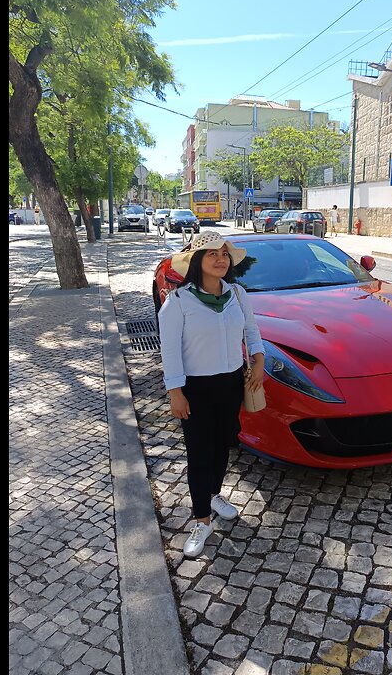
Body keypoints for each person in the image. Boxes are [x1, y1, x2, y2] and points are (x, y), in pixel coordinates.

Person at [158, 231, 265, 559]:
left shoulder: (237, 293)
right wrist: (176, 392)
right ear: (196, 262)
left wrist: (258, 360)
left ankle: (215, 494)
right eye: (211, 254)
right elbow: (171, 351)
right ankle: (201, 519)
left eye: (224, 253)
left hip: (231, 383)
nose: (220, 259)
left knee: (224, 444)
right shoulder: (178, 301)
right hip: (196, 389)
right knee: (199, 453)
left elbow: (251, 330)